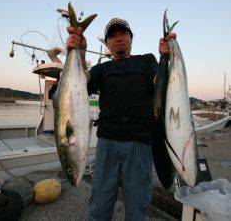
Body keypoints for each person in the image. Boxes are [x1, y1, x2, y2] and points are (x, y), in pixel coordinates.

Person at [66, 18, 176, 221]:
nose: (118, 39)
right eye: (113, 36)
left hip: (139, 143)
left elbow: (160, 83)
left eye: (123, 34)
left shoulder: (147, 60)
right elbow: (79, 82)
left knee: (137, 206)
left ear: (131, 39)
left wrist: (168, 57)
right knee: (99, 204)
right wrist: (78, 53)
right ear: (107, 43)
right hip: (107, 142)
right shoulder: (102, 69)